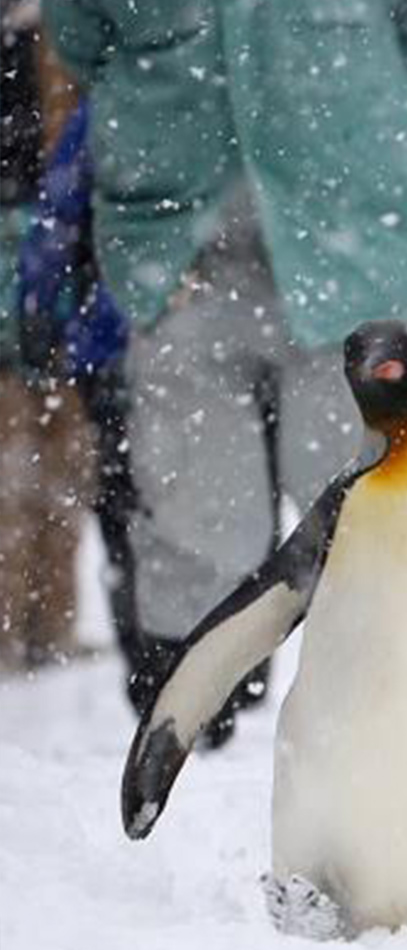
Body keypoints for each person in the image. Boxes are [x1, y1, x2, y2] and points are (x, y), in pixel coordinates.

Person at [45, 0, 407, 740]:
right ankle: (191, 722)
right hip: (174, 240)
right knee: (195, 510)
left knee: (368, 502)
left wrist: (359, 112)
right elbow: (81, 35)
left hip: (347, 237)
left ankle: (404, 710)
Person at [0, 0, 93, 674]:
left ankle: (52, 619)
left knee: (67, 446)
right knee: (13, 449)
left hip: (54, 243)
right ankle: (11, 620)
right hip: (28, 237)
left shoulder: (63, 32)